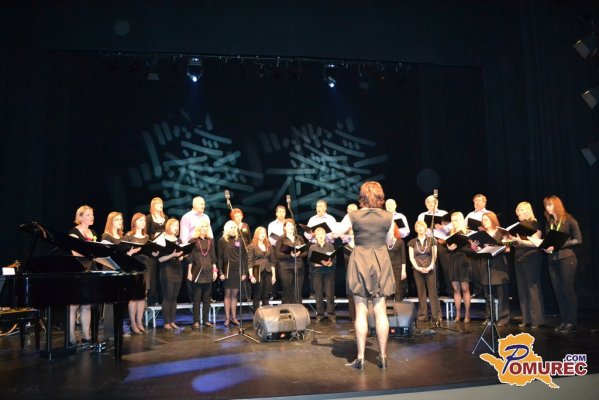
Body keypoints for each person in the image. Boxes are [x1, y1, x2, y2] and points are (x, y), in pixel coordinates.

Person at [335, 181, 395, 369]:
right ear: (380, 196)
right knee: (380, 309)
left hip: (360, 259)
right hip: (381, 260)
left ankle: (360, 358)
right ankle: (383, 357)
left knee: (361, 309)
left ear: (362, 197)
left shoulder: (353, 215)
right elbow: (390, 242)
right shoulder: (388, 216)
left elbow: (336, 233)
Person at [542, 195, 582, 333]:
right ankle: (564, 321)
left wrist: (560, 244)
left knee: (567, 290)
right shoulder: (549, 222)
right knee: (558, 291)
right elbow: (548, 241)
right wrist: (546, 247)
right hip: (552, 260)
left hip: (566, 258)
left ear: (557, 205)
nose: (547, 207)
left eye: (550, 204)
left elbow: (578, 239)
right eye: (546, 205)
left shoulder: (568, 219)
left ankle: (572, 322)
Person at [101, 211, 141, 340]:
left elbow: (121, 256)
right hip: (110, 269)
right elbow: (105, 254)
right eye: (117, 219)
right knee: (109, 303)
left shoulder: (121, 237)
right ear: (111, 222)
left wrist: (130, 253)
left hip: (120, 270)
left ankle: (119, 329)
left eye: (121, 220)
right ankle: (109, 332)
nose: (120, 222)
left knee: (120, 301)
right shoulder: (106, 236)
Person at [511, 202, 545, 329]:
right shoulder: (518, 226)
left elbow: (536, 242)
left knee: (532, 287)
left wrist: (521, 242)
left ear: (528, 211)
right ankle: (526, 318)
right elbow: (517, 243)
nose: (518, 213)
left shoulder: (534, 224)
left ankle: (537, 320)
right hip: (519, 257)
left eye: (521, 210)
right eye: (517, 210)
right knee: (522, 288)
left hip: (531, 257)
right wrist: (511, 240)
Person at [473, 212, 511, 326]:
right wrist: (475, 248)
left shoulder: (501, 232)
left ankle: (503, 318)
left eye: (487, 219)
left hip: (499, 265)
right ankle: (490, 317)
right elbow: (479, 250)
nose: (484, 222)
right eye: (483, 220)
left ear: (493, 220)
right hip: (486, 264)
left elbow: (508, 249)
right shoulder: (482, 234)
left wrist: (503, 245)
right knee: (488, 294)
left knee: (502, 294)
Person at [68, 205, 97, 345]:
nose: (92, 217)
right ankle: (71, 336)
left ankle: (86, 335)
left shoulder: (93, 233)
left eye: (92, 214)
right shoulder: (74, 232)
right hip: (78, 270)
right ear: (80, 217)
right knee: (74, 305)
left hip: (90, 270)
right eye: (88, 215)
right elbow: (75, 253)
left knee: (87, 305)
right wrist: (91, 253)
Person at [123, 212, 154, 335]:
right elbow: (122, 253)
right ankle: (132, 323)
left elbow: (149, 252)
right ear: (134, 222)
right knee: (133, 297)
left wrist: (154, 252)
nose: (142, 222)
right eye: (140, 220)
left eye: (144, 221)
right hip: (133, 268)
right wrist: (130, 253)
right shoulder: (128, 236)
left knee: (142, 297)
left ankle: (139, 322)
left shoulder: (146, 237)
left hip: (145, 268)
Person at [408, 220, 441, 323]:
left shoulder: (432, 240)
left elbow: (435, 255)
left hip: (430, 268)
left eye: (422, 226)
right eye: (418, 226)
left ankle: (436, 315)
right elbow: (411, 257)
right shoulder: (412, 242)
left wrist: (430, 266)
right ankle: (423, 315)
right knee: (421, 292)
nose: (420, 228)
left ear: (425, 228)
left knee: (433, 292)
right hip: (418, 270)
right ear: (415, 229)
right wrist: (417, 267)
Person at [418, 195, 451, 297]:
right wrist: (427, 229)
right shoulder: (422, 215)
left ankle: (450, 291)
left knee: (446, 267)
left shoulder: (444, 213)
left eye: (432, 202)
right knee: (432, 268)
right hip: (429, 243)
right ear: (426, 205)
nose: (430, 204)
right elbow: (419, 228)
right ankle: (434, 292)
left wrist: (442, 227)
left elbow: (451, 228)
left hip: (442, 243)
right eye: (428, 202)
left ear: (437, 203)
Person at [187, 220, 217, 328]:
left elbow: (213, 256)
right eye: (202, 227)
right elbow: (190, 257)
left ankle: (206, 320)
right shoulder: (193, 241)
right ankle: (196, 320)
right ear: (199, 229)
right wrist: (189, 272)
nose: (204, 229)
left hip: (208, 271)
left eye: (206, 227)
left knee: (207, 297)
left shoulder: (210, 241)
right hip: (197, 271)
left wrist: (215, 270)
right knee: (197, 297)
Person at [217, 220, 248, 327]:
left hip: (237, 269)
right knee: (227, 294)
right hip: (227, 270)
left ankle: (234, 318)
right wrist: (220, 272)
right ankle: (227, 318)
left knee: (235, 295)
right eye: (231, 227)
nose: (233, 229)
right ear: (226, 229)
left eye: (234, 227)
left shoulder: (239, 240)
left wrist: (244, 272)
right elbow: (220, 258)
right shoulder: (222, 241)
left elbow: (244, 257)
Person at [446, 212, 474, 323]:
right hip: (453, 261)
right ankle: (458, 315)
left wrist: (459, 246)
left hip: (464, 261)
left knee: (465, 288)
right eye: (452, 220)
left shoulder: (467, 232)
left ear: (461, 220)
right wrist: (449, 248)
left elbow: (472, 250)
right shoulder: (450, 233)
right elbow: (448, 248)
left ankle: (467, 315)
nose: (454, 222)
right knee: (456, 289)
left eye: (456, 220)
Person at [158, 218, 184, 330]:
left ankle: (172, 321)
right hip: (167, 270)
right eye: (173, 225)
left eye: (177, 225)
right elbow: (160, 259)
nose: (175, 227)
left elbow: (181, 257)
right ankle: (166, 322)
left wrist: (181, 256)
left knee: (174, 297)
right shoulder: (162, 239)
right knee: (168, 296)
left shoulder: (179, 240)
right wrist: (172, 255)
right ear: (168, 226)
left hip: (177, 269)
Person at [275, 219, 308, 304]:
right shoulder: (281, 239)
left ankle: (297, 310)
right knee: (287, 291)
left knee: (297, 291)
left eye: (292, 225)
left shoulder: (299, 238)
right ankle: (287, 310)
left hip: (298, 267)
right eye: (288, 225)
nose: (291, 227)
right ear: (284, 227)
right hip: (285, 268)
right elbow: (278, 255)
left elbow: (305, 252)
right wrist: (290, 255)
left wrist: (298, 254)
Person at [309, 227, 337, 323]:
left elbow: (334, 259)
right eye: (318, 234)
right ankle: (320, 315)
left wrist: (330, 263)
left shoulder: (330, 246)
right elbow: (310, 261)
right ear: (316, 236)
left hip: (328, 272)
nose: (320, 236)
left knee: (330, 294)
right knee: (318, 294)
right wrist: (317, 263)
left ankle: (331, 314)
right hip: (317, 273)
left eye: (322, 234)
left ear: (325, 235)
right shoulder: (312, 247)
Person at [247, 227, 277, 311]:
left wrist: (274, 275)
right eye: (261, 233)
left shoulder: (269, 246)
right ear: (256, 234)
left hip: (268, 271)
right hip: (257, 270)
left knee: (266, 295)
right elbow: (250, 261)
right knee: (257, 294)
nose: (263, 234)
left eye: (264, 233)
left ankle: (266, 314)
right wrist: (251, 276)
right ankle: (256, 315)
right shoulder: (252, 246)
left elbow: (272, 261)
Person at [146, 197, 167, 305]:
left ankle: (163, 299)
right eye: (158, 203)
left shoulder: (165, 218)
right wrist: (155, 236)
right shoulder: (149, 218)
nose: (160, 205)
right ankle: (152, 300)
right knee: (152, 276)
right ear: (153, 205)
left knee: (163, 275)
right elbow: (146, 234)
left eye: (161, 203)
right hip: (153, 251)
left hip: (163, 250)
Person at [387, 225, 407, 302]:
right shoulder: (384, 242)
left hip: (398, 267)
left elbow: (403, 257)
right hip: (387, 268)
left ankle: (398, 306)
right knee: (388, 288)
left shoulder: (400, 242)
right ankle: (388, 307)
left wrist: (403, 271)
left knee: (398, 288)